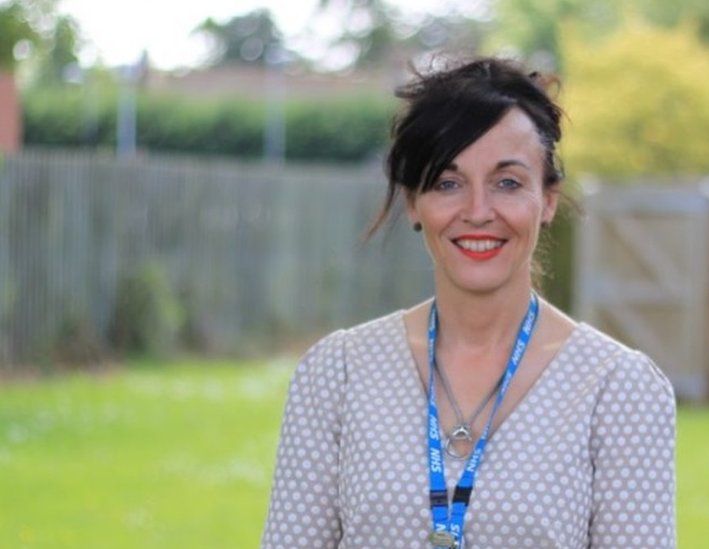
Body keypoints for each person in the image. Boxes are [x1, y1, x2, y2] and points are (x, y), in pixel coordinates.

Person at [261, 57, 676, 549]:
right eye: (448, 183)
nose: (478, 212)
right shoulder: (338, 374)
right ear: (414, 202)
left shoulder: (618, 389)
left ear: (547, 200)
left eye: (507, 182)